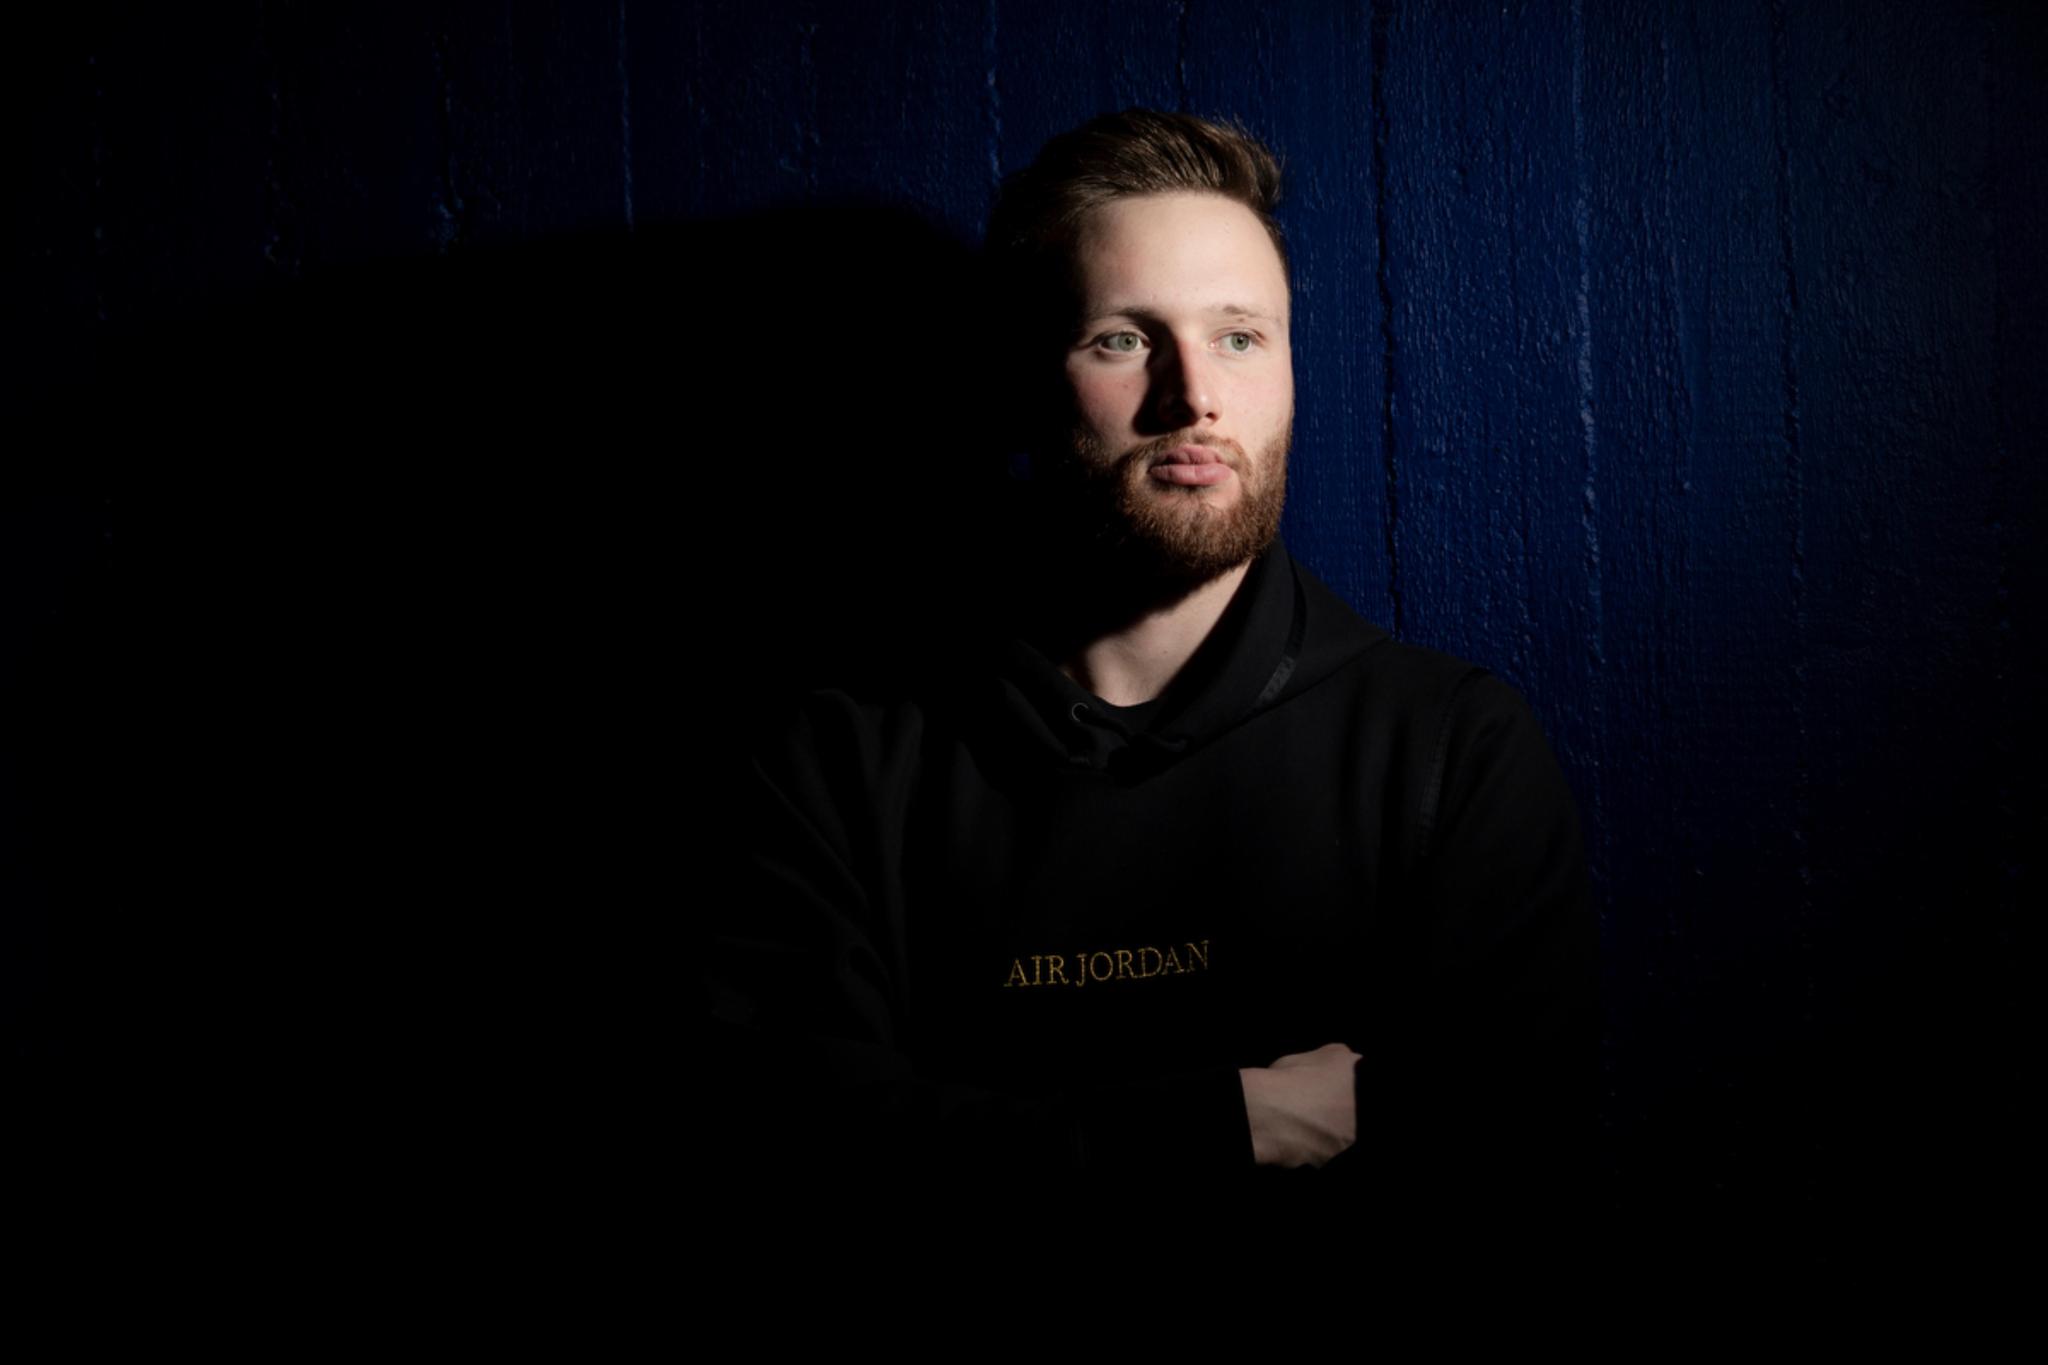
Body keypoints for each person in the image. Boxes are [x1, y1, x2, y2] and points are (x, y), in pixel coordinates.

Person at [707, 109, 1595, 1206]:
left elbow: (1519, 1167)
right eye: (1122, 339)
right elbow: (792, 1155)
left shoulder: (1448, 753)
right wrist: (1229, 1126)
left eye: (1238, 335)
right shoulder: (843, 762)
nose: (1194, 398)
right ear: (1027, 381)